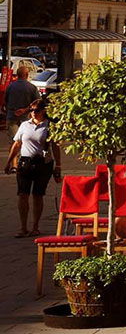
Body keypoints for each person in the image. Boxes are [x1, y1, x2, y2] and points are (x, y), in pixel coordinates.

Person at [5, 98, 60, 237]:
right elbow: (17, 144)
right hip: (25, 163)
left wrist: (58, 165)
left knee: (37, 195)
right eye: (32, 110)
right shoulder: (24, 125)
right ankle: (23, 227)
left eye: (36, 111)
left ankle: (35, 226)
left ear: (43, 111)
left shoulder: (49, 126)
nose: (33, 113)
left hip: (43, 164)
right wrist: (9, 162)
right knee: (22, 194)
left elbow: (55, 146)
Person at [4, 66, 41, 141]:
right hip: (26, 117)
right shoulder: (32, 87)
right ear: (27, 75)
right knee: (26, 140)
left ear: (17, 75)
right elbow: (38, 102)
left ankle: (14, 152)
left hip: (12, 116)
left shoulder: (10, 86)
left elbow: (5, 101)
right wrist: (25, 110)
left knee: (14, 141)